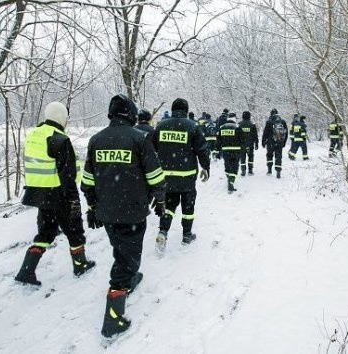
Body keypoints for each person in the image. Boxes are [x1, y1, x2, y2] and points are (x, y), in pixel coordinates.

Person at [80, 94, 166, 338]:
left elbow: (87, 180)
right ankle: (113, 319)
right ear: (130, 113)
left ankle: (130, 276)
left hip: (106, 211)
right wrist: (160, 199)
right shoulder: (138, 138)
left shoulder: (96, 140)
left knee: (121, 248)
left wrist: (91, 205)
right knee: (127, 258)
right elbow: (155, 175)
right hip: (133, 210)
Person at [15, 102, 95, 286]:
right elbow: (67, 176)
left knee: (45, 232)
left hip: (39, 195)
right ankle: (80, 264)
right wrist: (74, 200)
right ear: (61, 117)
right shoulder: (59, 139)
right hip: (59, 195)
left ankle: (26, 271)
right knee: (74, 230)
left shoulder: (34, 135)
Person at [153, 98, 210, 253]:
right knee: (188, 206)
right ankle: (187, 235)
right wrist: (206, 167)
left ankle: (163, 231)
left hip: (166, 176)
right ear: (186, 110)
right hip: (187, 176)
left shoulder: (161, 126)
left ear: (172, 110)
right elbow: (202, 149)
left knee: (169, 205)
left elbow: (152, 149)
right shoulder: (192, 126)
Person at [216, 114, 242, 192]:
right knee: (234, 166)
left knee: (227, 165)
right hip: (236, 151)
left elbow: (218, 141)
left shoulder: (222, 128)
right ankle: (231, 182)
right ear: (234, 119)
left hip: (226, 151)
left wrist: (217, 150)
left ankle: (229, 178)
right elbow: (242, 139)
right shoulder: (237, 127)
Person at [261, 109, 288, 178]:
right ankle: (278, 171)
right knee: (278, 156)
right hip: (279, 142)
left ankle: (269, 170)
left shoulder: (269, 122)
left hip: (270, 142)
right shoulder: (283, 122)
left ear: (271, 114)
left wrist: (263, 142)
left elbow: (265, 133)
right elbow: (286, 133)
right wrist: (284, 142)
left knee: (269, 155)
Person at [238, 111, 259, 176]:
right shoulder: (252, 124)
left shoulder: (239, 124)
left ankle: (243, 170)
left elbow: (237, 135)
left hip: (241, 144)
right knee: (250, 157)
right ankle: (250, 170)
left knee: (242, 157)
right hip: (250, 144)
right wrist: (256, 143)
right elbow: (255, 135)